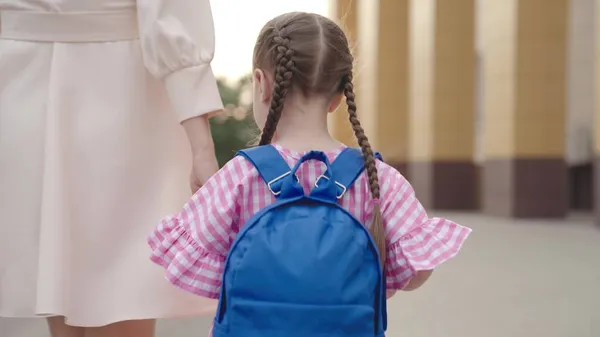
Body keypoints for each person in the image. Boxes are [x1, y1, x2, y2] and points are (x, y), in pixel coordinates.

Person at [148, 11, 472, 336]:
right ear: (338, 96)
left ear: (261, 84)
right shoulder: (378, 178)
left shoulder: (241, 176)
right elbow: (416, 273)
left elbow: (200, 271)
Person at [0, 0, 223, 336]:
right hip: (118, 91)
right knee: (118, 290)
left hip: (22, 82)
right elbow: (173, 14)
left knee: (66, 282)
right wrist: (201, 146)